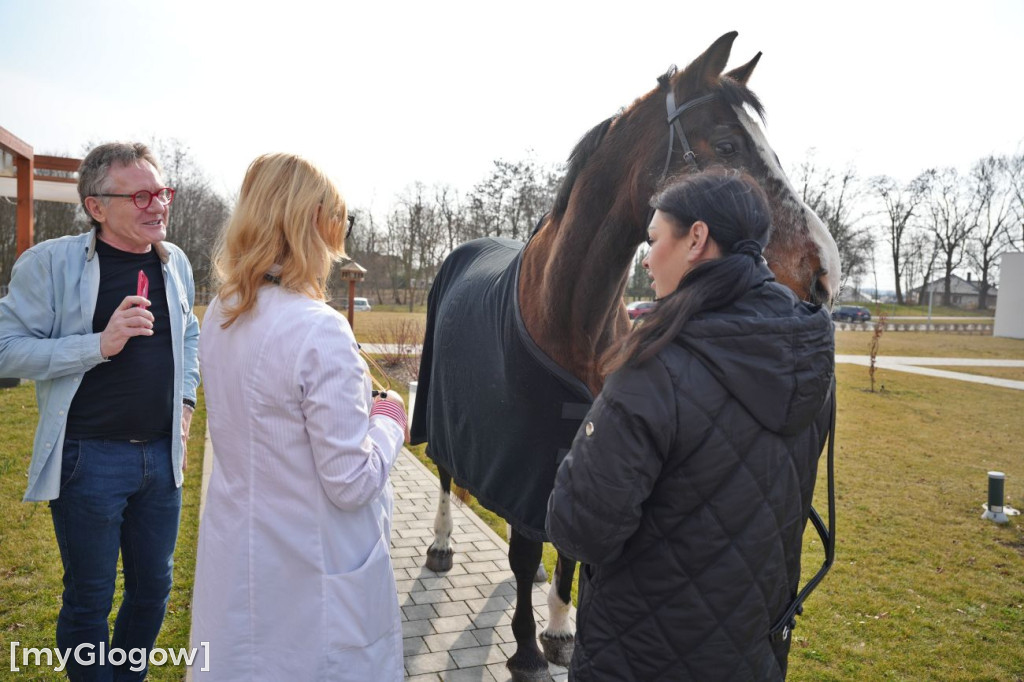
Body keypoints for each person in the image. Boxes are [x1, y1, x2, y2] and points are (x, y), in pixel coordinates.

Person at [546, 169, 835, 681]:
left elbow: (580, 530)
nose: (647, 259)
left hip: (638, 657)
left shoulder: (655, 363)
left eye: (654, 239)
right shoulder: (806, 359)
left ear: (696, 238)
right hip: (753, 655)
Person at [190, 153, 407, 680]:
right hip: (312, 575)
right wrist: (389, 421)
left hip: (239, 556)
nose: (339, 242)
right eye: (339, 223)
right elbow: (351, 483)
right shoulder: (319, 329)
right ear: (313, 222)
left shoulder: (222, 312)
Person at [0, 142, 200, 680]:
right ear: (95, 206)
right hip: (88, 460)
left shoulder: (175, 261)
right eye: (139, 195)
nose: (157, 205)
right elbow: (5, 348)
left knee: (153, 590)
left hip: (163, 460)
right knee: (90, 598)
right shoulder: (49, 263)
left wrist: (185, 403)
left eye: (161, 192)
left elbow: (191, 336)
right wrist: (97, 345)